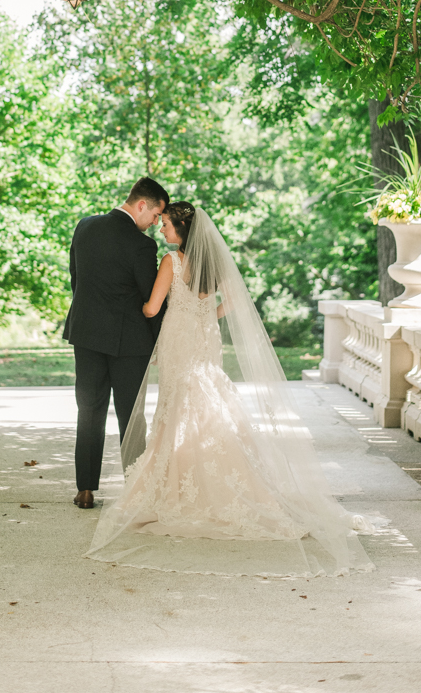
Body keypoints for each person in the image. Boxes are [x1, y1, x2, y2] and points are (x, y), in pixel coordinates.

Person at [86, 202, 376, 578]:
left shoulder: (171, 262)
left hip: (178, 341)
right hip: (204, 339)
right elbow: (235, 301)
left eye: (168, 226)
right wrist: (207, 314)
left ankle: (176, 486)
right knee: (205, 398)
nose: (162, 230)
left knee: (179, 404)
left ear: (181, 231)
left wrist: (135, 306)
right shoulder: (213, 264)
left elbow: (153, 308)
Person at [64, 176, 169, 509]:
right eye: (155, 215)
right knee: (131, 416)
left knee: (89, 411)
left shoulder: (85, 226)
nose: (155, 224)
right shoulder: (142, 245)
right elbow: (150, 298)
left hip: (87, 334)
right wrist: (159, 343)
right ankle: (135, 489)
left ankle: (85, 489)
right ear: (141, 205)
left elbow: (75, 279)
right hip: (130, 342)